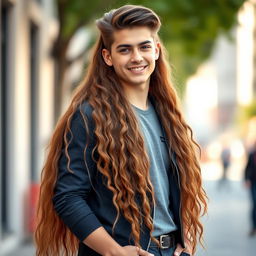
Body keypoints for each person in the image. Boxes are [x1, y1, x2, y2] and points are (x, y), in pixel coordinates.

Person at [35, 5, 207, 256]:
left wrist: (185, 240)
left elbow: (172, 193)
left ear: (156, 51)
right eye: (124, 49)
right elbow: (68, 197)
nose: (137, 57)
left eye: (144, 47)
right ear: (108, 57)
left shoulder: (168, 115)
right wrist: (114, 251)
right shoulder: (89, 116)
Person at [244, 142, 256, 237]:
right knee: (254, 204)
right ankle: (253, 227)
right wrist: (247, 179)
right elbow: (247, 168)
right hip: (253, 183)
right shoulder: (252, 154)